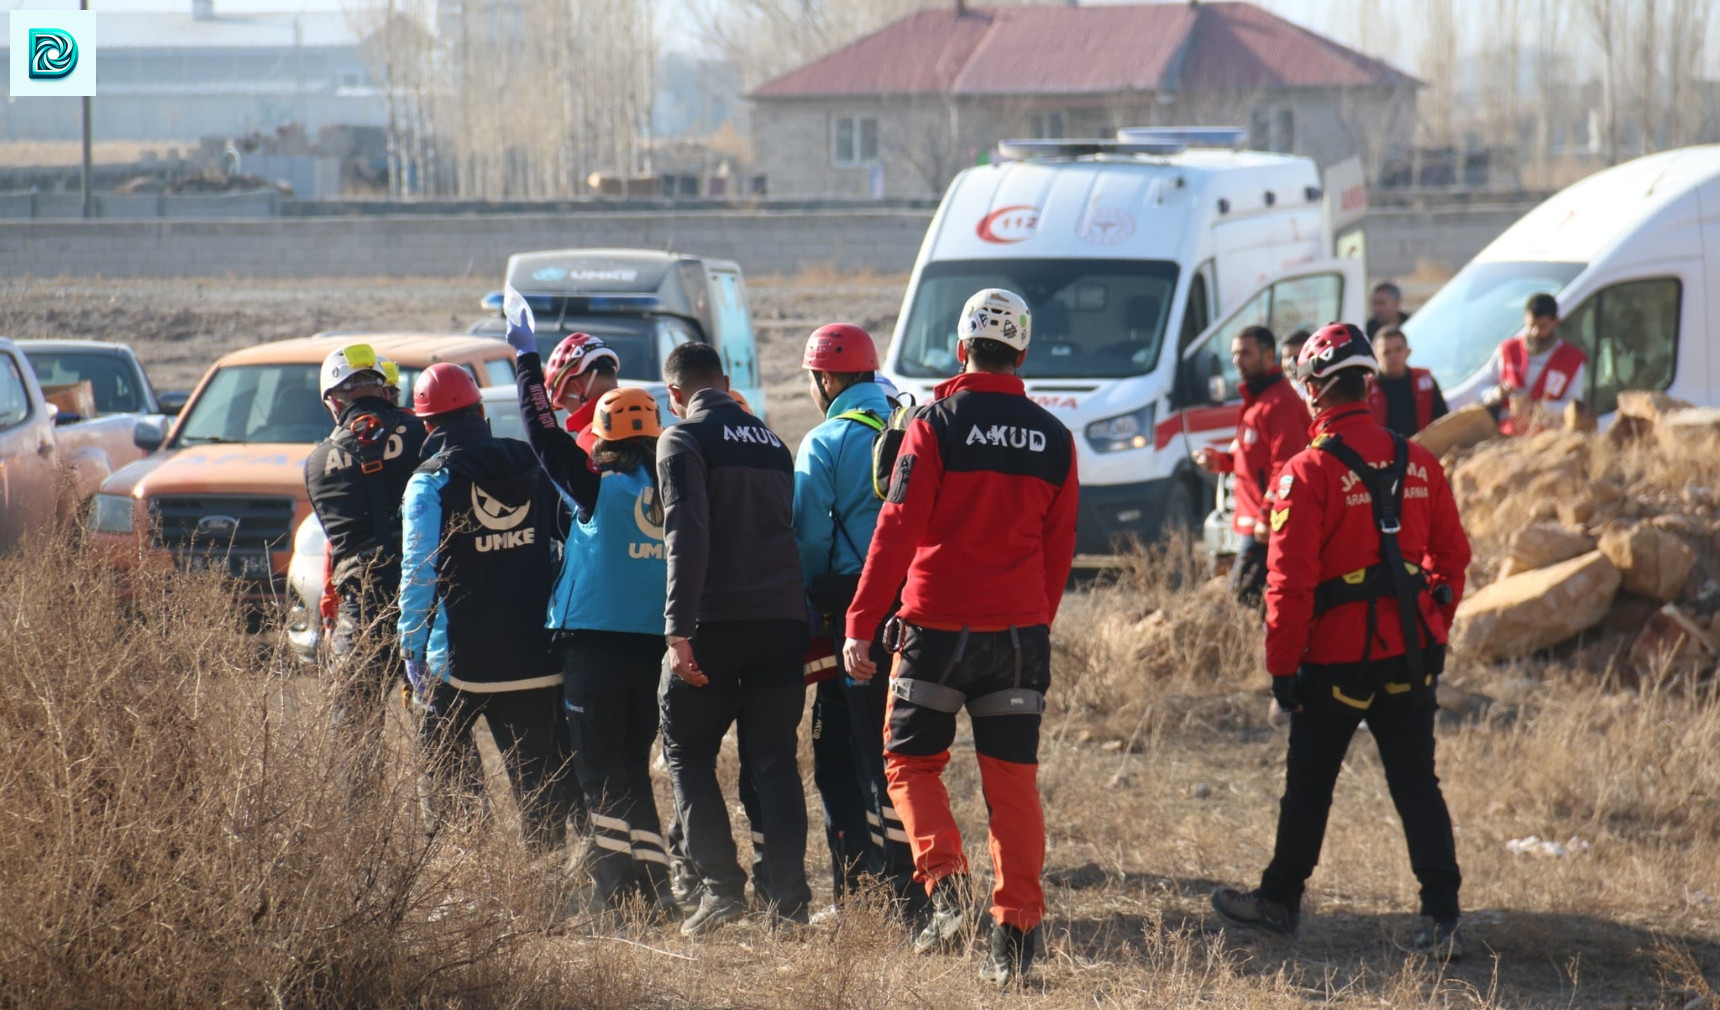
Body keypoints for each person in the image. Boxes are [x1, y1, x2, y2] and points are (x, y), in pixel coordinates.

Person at [1210, 323, 1472, 960]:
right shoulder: (1420, 461)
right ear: (1366, 383)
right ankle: (1442, 916)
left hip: (1334, 661)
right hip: (1411, 657)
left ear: (1316, 390)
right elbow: (1454, 559)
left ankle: (1279, 903)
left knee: (1310, 784)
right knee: (1417, 785)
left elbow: (1288, 586)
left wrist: (1281, 669)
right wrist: (1434, 616)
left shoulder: (1305, 474)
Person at [843, 288, 1079, 987]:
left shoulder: (936, 424)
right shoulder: (1054, 438)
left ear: (960, 346)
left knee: (910, 766)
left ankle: (945, 884)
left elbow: (896, 530)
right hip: (1018, 635)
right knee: (1013, 786)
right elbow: (1059, 549)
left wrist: (860, 623)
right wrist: (1036, 623)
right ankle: (1016, 936)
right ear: (1024, 353)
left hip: (935, 628)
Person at [507, 319, 677, 916]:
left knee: (599, 774)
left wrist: (526, 361)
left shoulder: (595, 487)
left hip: (594, 651)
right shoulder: (674, 494)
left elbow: (542, 431)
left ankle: (615, 892)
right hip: (653, 650)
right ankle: (656, 892)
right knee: (631, 770)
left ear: (603, 439)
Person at [656, 341, 812, 935]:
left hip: (717, 621)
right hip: (781, 622)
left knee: (687, 752)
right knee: (773, 761)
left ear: (675, 395)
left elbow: (686, 535)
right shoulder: (773, 443)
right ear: (725, 380)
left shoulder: (682, 439)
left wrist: (678, 627)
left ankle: (721, 890)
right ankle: (789, 904)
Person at [397, 362, 577, 850]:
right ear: (480, 410)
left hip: (458, 662)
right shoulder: (532, 462)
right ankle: (547, 884)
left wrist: (410, 647)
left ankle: (470, 880)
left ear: (427, 425)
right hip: (537, 654)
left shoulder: (429, 481)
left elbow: (418, 572)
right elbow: (574, 538)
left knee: (450, 779)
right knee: (539, 782)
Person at [792, 322, 918, 911]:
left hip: (852, 616)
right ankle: (921, 879)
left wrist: (810, 600)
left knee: (846, 755)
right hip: (918, 609)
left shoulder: (825, 441)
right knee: (904, 752)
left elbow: (808, 539)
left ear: (824, 378)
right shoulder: (913, 426)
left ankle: (872, 893)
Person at [304, 343, 427, 757]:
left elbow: (337, 543)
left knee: (353, 739)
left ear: (332, 401)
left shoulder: (318, 463)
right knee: (442, 736)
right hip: (431, 599)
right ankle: (453, 820)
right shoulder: (422, 433)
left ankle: (360, 822)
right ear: (382, 386)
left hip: (362, 608)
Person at [1192, 326, 1309, 607]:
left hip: (1266, 527)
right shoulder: (1255, 402)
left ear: (1268, 356)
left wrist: (1267, 516)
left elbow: (1286, 466)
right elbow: (1248, 456)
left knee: (1247, 600)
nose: (1237, 360)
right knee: (1247, 601)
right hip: (1250, 523)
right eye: (1234, 353)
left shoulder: (1280, 402)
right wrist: (1218, 461)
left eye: (1245, 353)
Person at [1482, 292, 1588, 435]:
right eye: (1531, 325)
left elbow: (1574, 406)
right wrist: (1499, 392)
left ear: (1555, 321)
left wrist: (1538, 408)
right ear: (1525, 318)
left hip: (1549, 440)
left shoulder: (1571, 359)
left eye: (1543, 327)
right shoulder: (1508, 350)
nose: (1535, 332)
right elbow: (1481, 392)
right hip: (1508, 437)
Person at [544, 332, 622, 452]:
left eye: (564, 402)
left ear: (577, 388)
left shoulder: (589, 441)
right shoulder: (654, 426)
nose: (568, 413)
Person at [1366, 326, 1448, 437]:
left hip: (1423, 449)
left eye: (1398, 350)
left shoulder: (1425, 383)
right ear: (1376, 357)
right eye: (1386, 352)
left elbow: (1444, 421)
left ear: (1408, 352)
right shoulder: (1366, 389)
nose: (1393, 356)